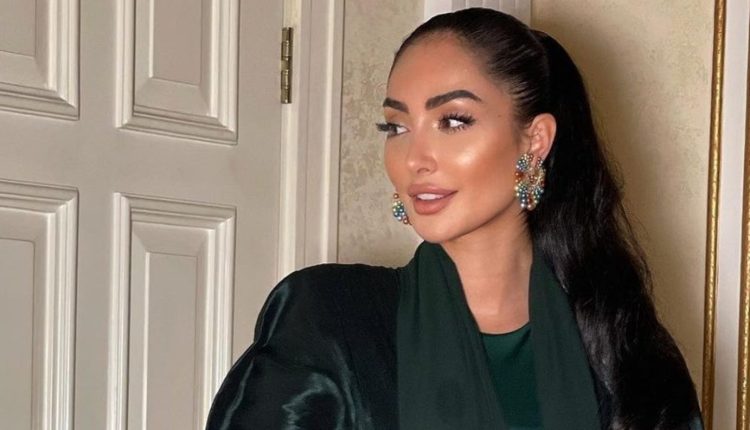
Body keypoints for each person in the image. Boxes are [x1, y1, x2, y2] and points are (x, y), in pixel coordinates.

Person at [206, 8, 703, 430]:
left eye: (453, 121)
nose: (414, 158)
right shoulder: (328, 321)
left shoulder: (626, 348)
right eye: (396, 127)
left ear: (535, 141)